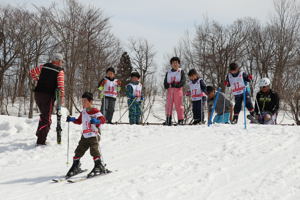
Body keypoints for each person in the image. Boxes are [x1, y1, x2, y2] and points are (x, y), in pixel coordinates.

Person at [66, 92, 109, 178]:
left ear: (90, 101)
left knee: (94, 150)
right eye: (82, 101)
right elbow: (79, 121)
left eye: (85, 101)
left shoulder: (95, 111)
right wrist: (72, 119)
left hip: (94, 134)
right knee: (79, 150)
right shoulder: (84, 112)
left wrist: (97, 121)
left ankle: (98, 166)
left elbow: (103, 119)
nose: (83, 103)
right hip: (85, 135)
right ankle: (76, 166)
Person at [29, 53, 64, 145]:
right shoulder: (59, 71)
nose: (61, 63)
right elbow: (60, 86)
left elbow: (32, 72)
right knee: (47, 119)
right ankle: (41, 141)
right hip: (48, 96)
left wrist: (39, 80)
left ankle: (39, 133)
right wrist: (62, 97)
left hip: (38, 94)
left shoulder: (43, 66)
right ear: (57, 60)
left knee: (44, 115)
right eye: (61, 61)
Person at [163, 57, 186, 126]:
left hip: (178, 90)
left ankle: (180, 120)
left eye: (176, 63)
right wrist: (167, 85)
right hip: (170, 90)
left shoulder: (180, 71)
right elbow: (165, 82)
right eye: (173, 63)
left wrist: (177, 84)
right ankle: (168, 119)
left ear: (179, 64)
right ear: (171, 64)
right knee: (168, 105)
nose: (175, 64)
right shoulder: (168, 72)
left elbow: (183, 81)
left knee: (178, 105)